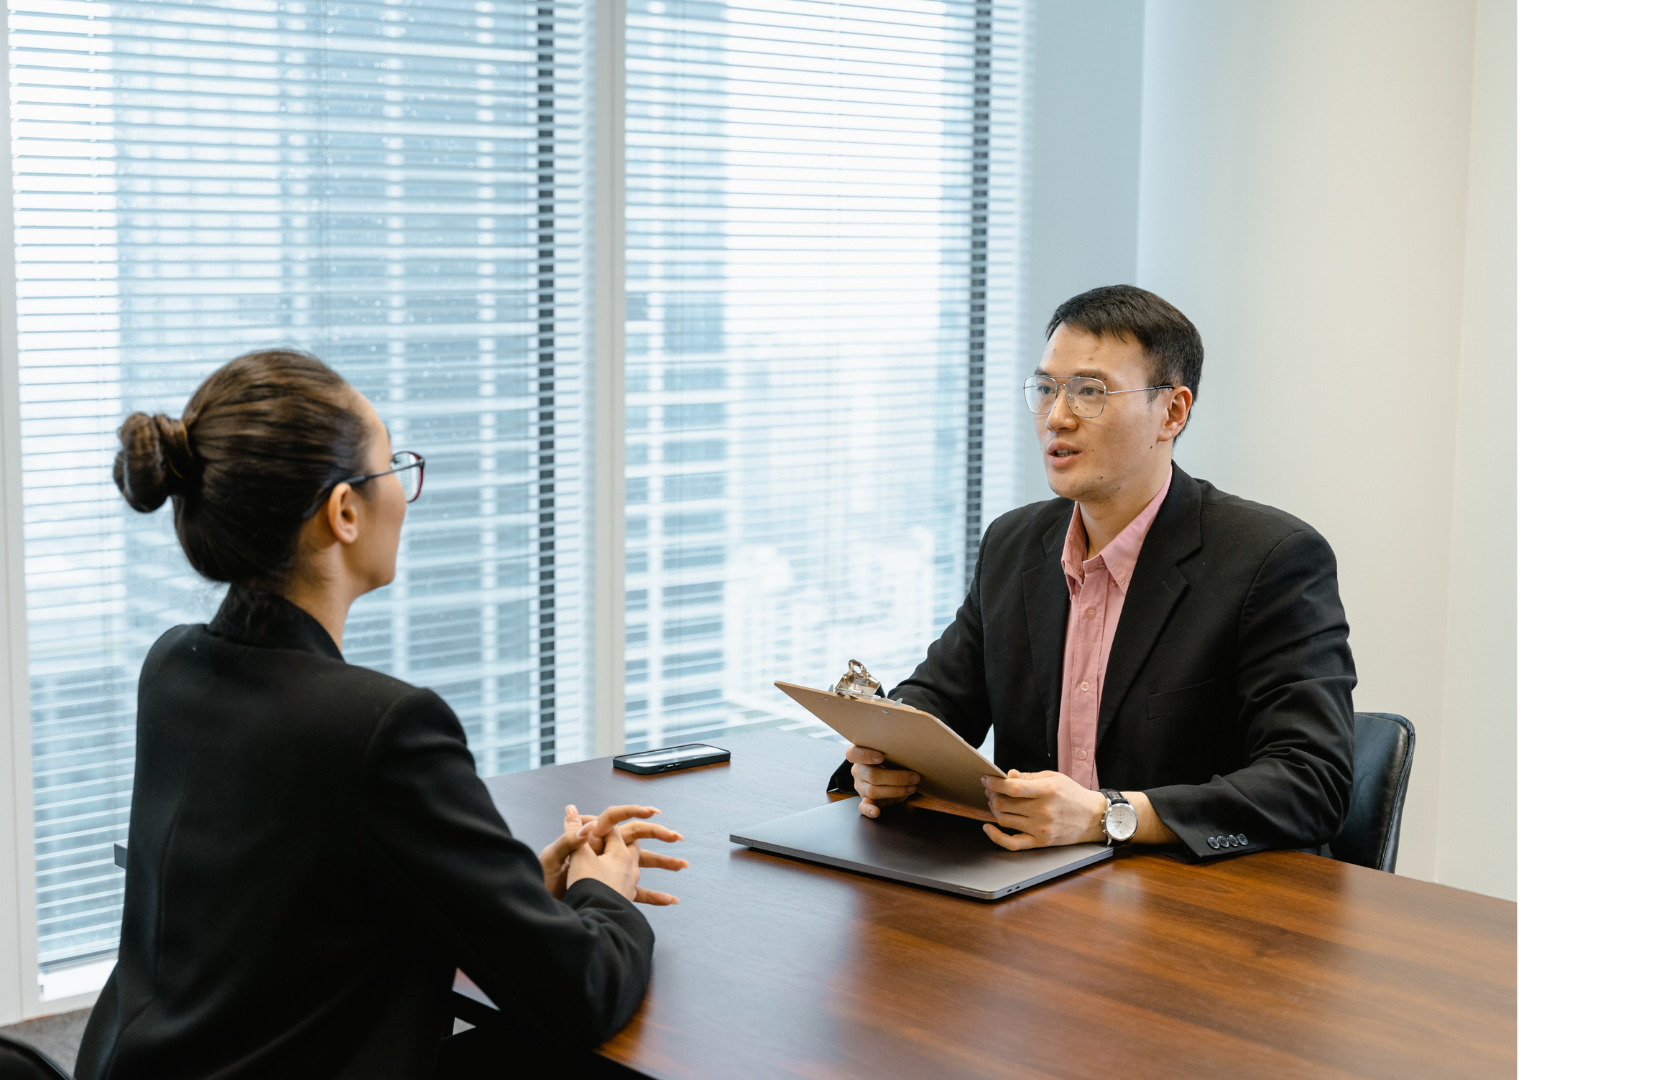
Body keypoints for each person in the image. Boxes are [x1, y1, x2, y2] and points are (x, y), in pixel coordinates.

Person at [75, 350, 685, 1080]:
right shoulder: (380, 728)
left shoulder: (173, 665)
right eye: (392, 464)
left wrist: (512, 892)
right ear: (344, 512)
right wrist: (602, 895)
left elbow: (295, 906)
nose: (404, 486)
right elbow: (581, 993)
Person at [836, 285, 1356, 860]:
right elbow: (938, 699)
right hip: (1034, 885)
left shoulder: (1272, 559)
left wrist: (1112, 815)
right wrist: (890, 759)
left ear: (1172, 412)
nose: (1057, 417)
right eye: (1046, 389)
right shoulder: (1014, 543)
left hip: (1195, 900)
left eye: (1089, 392)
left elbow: (1313, 784)